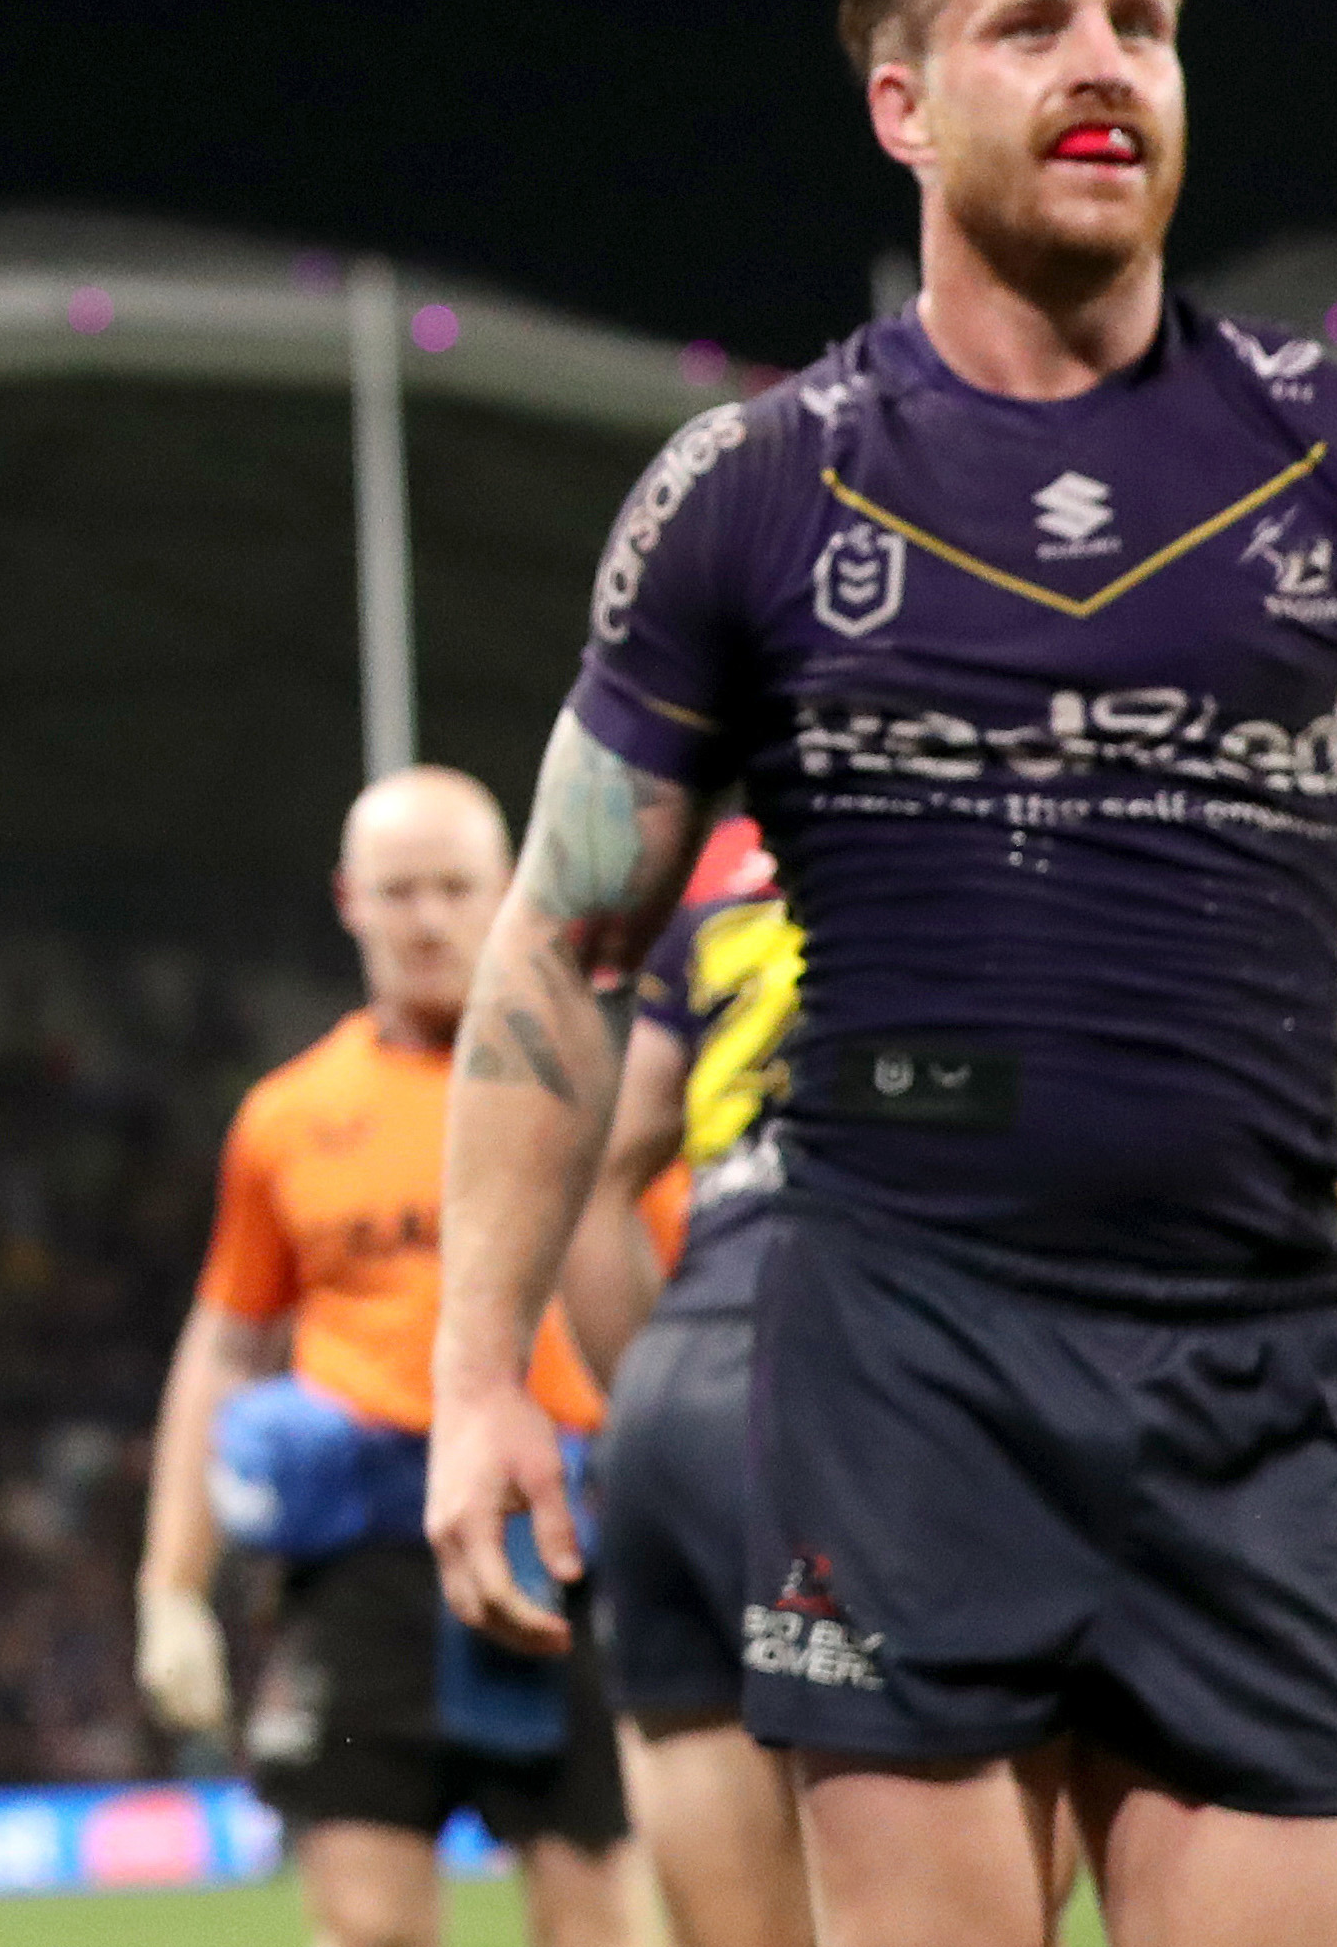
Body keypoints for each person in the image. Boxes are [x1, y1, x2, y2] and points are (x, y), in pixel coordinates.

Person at [431, 0, 1337, 1947]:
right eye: (1036, 23)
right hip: (902, 1365)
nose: (1108, 64)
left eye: (1144, 23)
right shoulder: (761, 489)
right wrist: (472, 1383)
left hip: (1260, 1381)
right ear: (903, 102)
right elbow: (561, 946)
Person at [139, 770, 629, 1947]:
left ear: (506, 890)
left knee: (592, 1920)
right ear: (348, 900)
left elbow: (667, 1323)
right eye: (398, 890)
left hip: (554, 1535)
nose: (426, 918)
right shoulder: (288, 1115)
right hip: (360, 1558)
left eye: (455, 887)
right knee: (365, 1926)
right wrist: (170, 1590)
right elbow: (224, 1342)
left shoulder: (599, 1087)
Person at [557, 819, 813, 1947]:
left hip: (679, 1404)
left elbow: (599, 1185)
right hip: (872, 1374)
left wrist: (648, 1389)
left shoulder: (721, 867)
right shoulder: (983, 814)